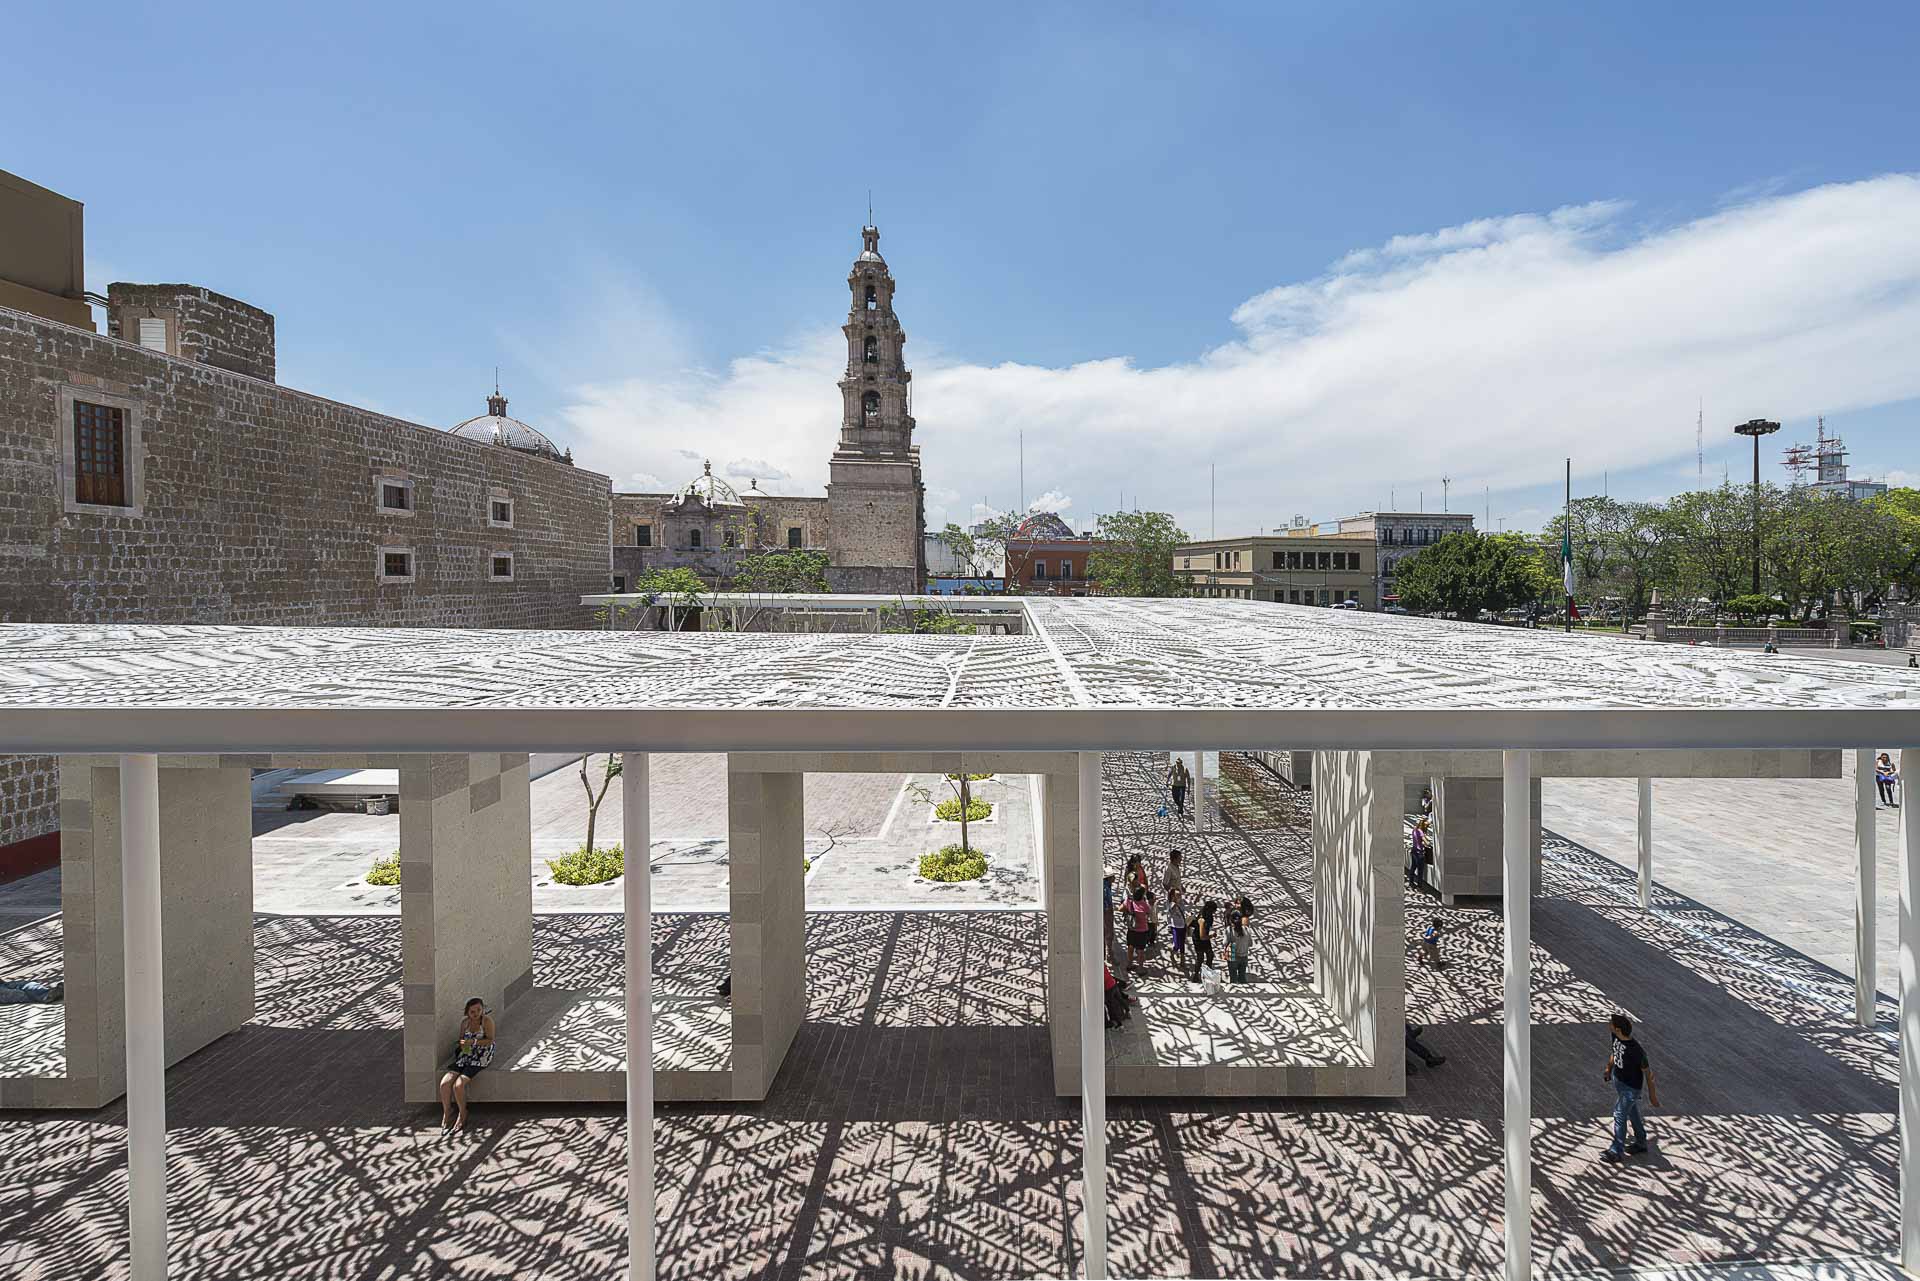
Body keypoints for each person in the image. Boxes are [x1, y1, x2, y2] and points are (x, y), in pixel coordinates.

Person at [1600, 1012, 1659, 1162]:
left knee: (1619, 1114)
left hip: (1631, 1089)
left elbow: (1648, 1073)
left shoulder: (1637, 1052)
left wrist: (1652, 1096)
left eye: (1611, 1024)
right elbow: (1614, 1051)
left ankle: (1616, 1151)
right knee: (1632, 1113)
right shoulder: (1615, 1036)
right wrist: (1609, 1068)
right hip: (1619, 1081)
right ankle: (1641, 1142)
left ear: (1618, 1029)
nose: (1609, 1025)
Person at [439, 997, 496, 1132]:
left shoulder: (487, 1021)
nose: (476, 1013)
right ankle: (447, 1111)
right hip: (467, 1053)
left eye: (479, 1010)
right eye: (472, 1011)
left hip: (482, 1055)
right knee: (445, 1083)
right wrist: (464, 1045)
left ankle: (463, 1113)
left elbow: (490, 1040)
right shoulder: (465, 1023)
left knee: (458, 1085)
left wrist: (474, 1043)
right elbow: (462, 1040)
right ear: (467, 1012)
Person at [1189, 900, 1217, 984]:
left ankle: (1207, 973)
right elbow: (1202, 936)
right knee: (1200, 957)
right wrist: (1211, 936)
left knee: (1210, 955)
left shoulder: (1209, 916)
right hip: (1199, 939)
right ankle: (1196, 975)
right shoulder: (1202, 919)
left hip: (1205, 937)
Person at [1125, 885, 1152, 971]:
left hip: (1131, 929)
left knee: (1130, 947)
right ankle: (1140, 968)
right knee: (1141, 950)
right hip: (1142, 930)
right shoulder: (1144, 905)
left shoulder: (1129, 902)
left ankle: (1129, 964)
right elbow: (1149, 913)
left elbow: (1120, 908)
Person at [1225, 911, 1252, 984]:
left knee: (1233, 977)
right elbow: (1250, 944)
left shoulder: (1229, 929)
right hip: (1244, 955)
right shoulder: (1247, 929)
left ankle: (1234, 992)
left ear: (1231, 920)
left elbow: (1224, 943)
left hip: (1233, 955)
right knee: (1242, 976)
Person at [1168, 884, 1189, 966]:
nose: (1180, 896)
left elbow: (1191, 903)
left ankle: (1182, 960)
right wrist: (1175, 902)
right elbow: (1171, 910)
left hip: (1183, 925)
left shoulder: (1182, 902)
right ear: (1173, 896)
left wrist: (1198, 896)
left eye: (1180, 894)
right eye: (1178, 895)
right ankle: (1172, 952)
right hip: (1175, 927)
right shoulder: (1171, 904)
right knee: (1177, 944)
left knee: (1182, 943)